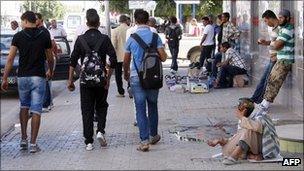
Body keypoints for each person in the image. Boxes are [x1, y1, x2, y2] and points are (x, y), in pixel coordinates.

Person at [1, 11, 54, 153]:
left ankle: (23, 139)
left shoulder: (18, 36)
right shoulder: (44, 35)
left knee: (24, 106)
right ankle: (33, 144)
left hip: (23, 77)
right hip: (38, 76)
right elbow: (50, 57)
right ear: (35, 21)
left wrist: (5, 78)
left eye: (22, 21)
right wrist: (51, 70)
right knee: (36, 109)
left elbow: (10, 59)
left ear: (25, 21)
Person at [67, 9, 117, 151]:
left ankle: (88, 141)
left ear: (87, 22)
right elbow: (113, 60)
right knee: (101, 105)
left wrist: (70, 81)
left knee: (87, 109)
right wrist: (107, 77)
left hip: (85, 82)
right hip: (100, 80)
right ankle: (100, 131)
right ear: (99, 23)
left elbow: (72, 61)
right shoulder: (104, 39)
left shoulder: (80, 39)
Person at [123, 9, 167, 152]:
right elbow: (164, 57)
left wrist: (126, 73)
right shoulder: (156, 37)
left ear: (135, 21)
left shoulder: (132, 38)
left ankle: (144, 141)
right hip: (153, 77)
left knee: (140, 108)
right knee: (153, 105)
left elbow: (126, 60)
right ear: (148, 21)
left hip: (136, 77)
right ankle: (153, 135)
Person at [208, 98, 262, 165]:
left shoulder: (258, 117)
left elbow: (258, 127)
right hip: (230, 150)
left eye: (238, 108)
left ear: (244, 110)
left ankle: (234, 157)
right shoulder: (243, 120)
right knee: (246, 131)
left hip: (255, 147)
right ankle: (240, 155)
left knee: (248, 130)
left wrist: (242, 117)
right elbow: (237, 138)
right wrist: (219, 141)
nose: (236, 110)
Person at [259, 9, 295, 110]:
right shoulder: (282, 29)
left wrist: (274, 44)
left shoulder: (288, 29)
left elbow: (277, 45)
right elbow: (275, 44)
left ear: (287, 18)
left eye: (282, 17)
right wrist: (270, 43)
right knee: (272, 81)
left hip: (285, 61)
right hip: (281, 59)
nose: (279, 19)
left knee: (274, 82)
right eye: (279, 17)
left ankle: (264, 106)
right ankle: (264, 104)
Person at [250, 10, 279, 104]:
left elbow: (281, 44)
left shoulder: (280, 29)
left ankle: (259, 101)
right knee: (263, 79)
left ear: (270, 18)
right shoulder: (274, 29)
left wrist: (276, 55)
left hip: (276, 59)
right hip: (272, 58)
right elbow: (273, 43)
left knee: (267, 81)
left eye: (266, 21)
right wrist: (265, 42)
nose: (266, 24)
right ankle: (254, 99)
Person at [36, 13, 56, 112]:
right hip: (40, 60)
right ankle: (47, 103)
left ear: (41, 20)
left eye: (36, 19)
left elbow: (51, 47)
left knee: (45, 81)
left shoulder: (44, 32)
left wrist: (50, 66)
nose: (34, 21)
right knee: (43, 82)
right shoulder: (37, 31)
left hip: (45, 60)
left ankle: (46, 104)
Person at [111, 15, 130, 97]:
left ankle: (121, 92)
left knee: (118, 75)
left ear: (119, 21)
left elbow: (113, 45)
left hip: (118, 56)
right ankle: (130, 89)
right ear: (126, 20)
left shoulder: (115, 30)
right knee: (129, 72)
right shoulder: (130, 30)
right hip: (129, 56)